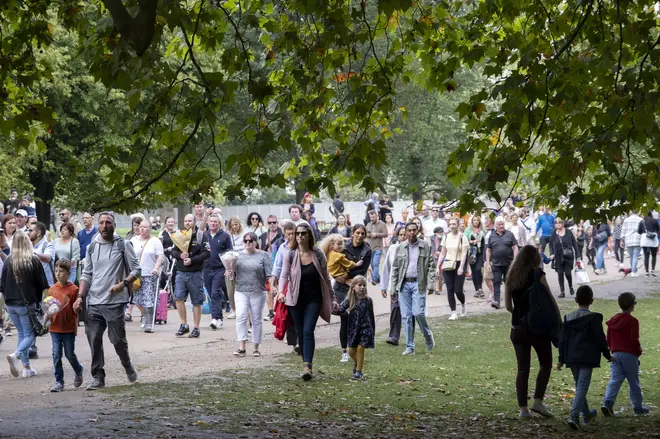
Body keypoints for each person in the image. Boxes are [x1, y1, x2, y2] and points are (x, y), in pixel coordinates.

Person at [72, 213, 141, 389]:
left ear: (114, 225)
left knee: (117, 340)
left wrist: (122, 284)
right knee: (94, 340)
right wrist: (80, 296)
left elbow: (137, 270)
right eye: (101, 223)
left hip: (114, 301)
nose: (104, 226)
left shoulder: (123, 245)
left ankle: (127, 364)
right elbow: (86, 274)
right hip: (94, 301)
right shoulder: (92, 246)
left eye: (108, 223)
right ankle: (98, 377)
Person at [505, 245, 561, 419]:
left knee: (523, 369)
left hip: (518, 329)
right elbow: (549, 300)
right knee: (545, 363)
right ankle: (537, 401)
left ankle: (523, 409)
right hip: (538, 328)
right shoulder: (538, 275)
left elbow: (508, 306)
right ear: (535, 258)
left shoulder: (510, 277)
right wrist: (556, 320)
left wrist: (520, 316)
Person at [277, 223, 337, 380]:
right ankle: (305, 360)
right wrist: (279, 292)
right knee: (300, 330)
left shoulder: (318, 254)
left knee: (308, 330)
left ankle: (307, 366)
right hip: (295, 299)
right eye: (298, 234)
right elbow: (283, 275)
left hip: (314, 299)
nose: (300, 236)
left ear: (310, 235)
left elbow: (326, 277)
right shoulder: (290, 254)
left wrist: (332, 298)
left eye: (303, 233)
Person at [557, 285, 611, 430]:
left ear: (575, 299)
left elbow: (562, 339)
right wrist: (607, 355)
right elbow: (600, 338)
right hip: (587, 357)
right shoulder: (594, 318)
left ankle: (586, 414)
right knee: (582, 386)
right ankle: (574, 416)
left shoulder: (568, 318)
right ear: (592, 301)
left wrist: (561, 358)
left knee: (579, 385)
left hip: (572, 357)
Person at [1, 232, 49, 378]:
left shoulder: (9, 261)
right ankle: (16, 355)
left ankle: (26, 368)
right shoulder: (33, 260)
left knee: (22, 334)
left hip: (10, 304)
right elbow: (43, 285)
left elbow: (2, 285)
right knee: (31, 334)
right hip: (27, 304)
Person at [389, 222, 436, 355]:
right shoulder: (401, 247)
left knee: (418, 313)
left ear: (417, 231)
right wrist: (393, 289)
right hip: (404, 285)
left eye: (414, 230)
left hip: (418, 283)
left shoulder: (425, 246)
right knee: (406, 316)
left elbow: (431, 266)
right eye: (409, 230)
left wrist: (431, 284)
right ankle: (410, 346)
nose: (411, 233)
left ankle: (428, 336)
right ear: (406, 231)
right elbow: (395, 269)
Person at [601, 292, 649, 416]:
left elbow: (609, 339)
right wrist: (637, 353)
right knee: (634, 382)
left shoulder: (613, 321)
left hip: (615, 354)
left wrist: (612, 351)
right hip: (629, 355)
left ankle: (608, 403)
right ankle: (638, 407)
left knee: (615, 380)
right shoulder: (633, 321)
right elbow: (634, 340)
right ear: (632, 306)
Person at [227, 231, 272, 357]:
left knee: (256, 319)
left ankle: (256, 347)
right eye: (245, 241)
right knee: (241, 317)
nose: (248, 243)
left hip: (258, 290)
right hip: (241, 290)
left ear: (255, 242)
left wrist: (273, 286)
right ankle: (242, 346)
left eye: (250, 241)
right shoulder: (237, 256)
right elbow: (232, 272)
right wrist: (229, 272)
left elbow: (269, 273)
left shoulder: (263, 255)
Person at [334, 224, 371, 362]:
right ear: (353, 234)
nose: (360, 235)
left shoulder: (367, 250)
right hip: (342, 287)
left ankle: (353, 347)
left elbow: (362, 270)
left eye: (363, 233)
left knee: (356, 319)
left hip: (356, 287)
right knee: (344, 317)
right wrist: (341, 278)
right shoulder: (344, 247)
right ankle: (344, 350)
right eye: (358, 233)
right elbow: (335, 264)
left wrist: (347, 277)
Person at [171, 214, 210, 338]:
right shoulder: (180, 234)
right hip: (181, 272)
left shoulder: (200, 235)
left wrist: (192, 260)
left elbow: (207, 253)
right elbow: (172, 251)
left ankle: (196, 327)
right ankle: (183, 324)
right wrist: (179, 256)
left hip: (195, 273)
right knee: (179, 298)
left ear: (194, 222)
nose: (187, 223)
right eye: (185, 220)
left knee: (197, 301)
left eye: (190, 221)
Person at [48, 259, 84, 392]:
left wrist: (77, 308)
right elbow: (49, 308)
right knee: (56, 354)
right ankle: (59, 381)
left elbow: (78, 309)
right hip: (55, 328)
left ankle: (78, 369)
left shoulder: (74, 289)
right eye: (56, 271)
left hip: (68, 328)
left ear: (69, 273)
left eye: (61, 271)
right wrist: (47, 315)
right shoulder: (52, 289)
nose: (58, 274)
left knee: (69, 354)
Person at [130, 220, 165, 333]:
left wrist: (156, 268)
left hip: (150, 274)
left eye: (145, 227)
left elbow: (160, 257)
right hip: (136, 275)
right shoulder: (133, 240)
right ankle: (144, 315)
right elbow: (129, 256)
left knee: (149, 299)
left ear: (150, 228)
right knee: (138, 300)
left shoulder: (155, 241)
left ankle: (149, 322)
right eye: (140, 227)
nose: (142, 229)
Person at [338, 275, 375, 381]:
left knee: (360, 347)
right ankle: (357, 362)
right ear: (353, 287)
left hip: (365, 328)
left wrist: (372, 330)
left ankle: (358, 372)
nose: (362, 287)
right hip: (353, 329)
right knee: (351, 351)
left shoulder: (368, 300)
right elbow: (341, 309)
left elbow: (371, 316)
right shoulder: (349, 299)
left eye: (364, 285)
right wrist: (336, 307)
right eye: (360, 285)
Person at [269, 221, 298, 350]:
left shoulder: (301, 246)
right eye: (288, 234)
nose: (291, 237)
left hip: (300, 283)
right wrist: (273, 282)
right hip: (286, 284)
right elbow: (277, 266)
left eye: (293, 234)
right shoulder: (282, 248)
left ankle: (301, 340)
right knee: (288, 312)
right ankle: (293, 343)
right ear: (285, 235)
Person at [380, 226, 408, 346]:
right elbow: (387, 267)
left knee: (408, 312)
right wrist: (384, 285)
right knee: (395, 309)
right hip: (395, 285)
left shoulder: (412, 248)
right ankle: (393, 336)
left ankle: (409, 336)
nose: (403, 237)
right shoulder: (392, 248)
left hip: (408, 284)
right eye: (401, 235)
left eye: (404, 234)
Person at [437, 218, 468, 321]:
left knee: (458, 290)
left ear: (458, 225)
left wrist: (461, 267)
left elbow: (464, 253)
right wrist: (438, 266)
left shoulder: (463, 237)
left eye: (454, 224)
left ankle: (463, 303)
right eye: (450, 224)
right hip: (448, 264)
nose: (452, 226)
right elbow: (442, 253)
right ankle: (453, 312)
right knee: (449, 289)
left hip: (459, 263)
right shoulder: (446, 237)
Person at [205, 214, 233, 330]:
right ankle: (219, 318)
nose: (213, 223)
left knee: (215, 292)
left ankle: (215, 318)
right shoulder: (204, 235)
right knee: (211, 293)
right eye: (211, 221)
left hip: (220, 268)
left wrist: (229, 268)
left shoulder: (225, 236)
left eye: (215, 222)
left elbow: (230, 253)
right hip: (206, 268)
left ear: (219, 223)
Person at [486, 217, 519, 309]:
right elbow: (488, 250)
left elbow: (515, 247)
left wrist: (515, 260)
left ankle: (511, 301)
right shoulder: (492, 236)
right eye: (499, 224)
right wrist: (488, 263)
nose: (501, 226)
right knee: (496, 282)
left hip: (509, 264)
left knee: (509, 283)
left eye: (502, 224)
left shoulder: (509, 234)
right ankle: (496, 301)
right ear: (495, 225)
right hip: (496, 264)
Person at [550, 217, 579, 298]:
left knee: (568, 273)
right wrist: (551, 253)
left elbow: (575, 244)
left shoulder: (569, 232)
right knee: (560, 273)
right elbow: (551, 244)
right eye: (556, 223)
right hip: (558, 257)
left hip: (568, 256)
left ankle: (570, 286)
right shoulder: (554, 233)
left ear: (563, 223)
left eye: (559, 222)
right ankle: (562, 291)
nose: (558, 224)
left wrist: (578, 256)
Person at [365, 210, 388, 286]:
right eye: (370, 217)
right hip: (370, 247)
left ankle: (374, 279)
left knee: (375, 263)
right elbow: (365, 233)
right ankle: (377, 278)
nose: (372, 218)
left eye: (373, 217)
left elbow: (386, 234)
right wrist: (368, 235)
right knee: (372, 264)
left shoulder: (382, 224)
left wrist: (376, 234)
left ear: (377, 216)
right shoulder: (368, 224)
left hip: (378, 247)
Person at [465, 216, 486, 298]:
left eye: (477, 220)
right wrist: (472, 241)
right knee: (473, 271)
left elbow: (485, 241)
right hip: (471, 253)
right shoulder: (468, 230)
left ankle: (480, 288)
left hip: (480, 252)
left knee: (478, 269)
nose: (476, 221)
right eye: (474, 220)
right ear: (472, 221)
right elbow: (465, 240)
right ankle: (476, 290)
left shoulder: (483, 230)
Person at [30, 221, 55, 287]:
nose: (28, 233)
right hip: (33, 285)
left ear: (38, 233)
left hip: (46, 286)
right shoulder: (29, 246)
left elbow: (47, 258)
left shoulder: (48, 245)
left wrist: (32, 254)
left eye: (30, 231)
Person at [621, 211, 643, 276]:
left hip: (628, 240)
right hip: (637, 239)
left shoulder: (626, 220)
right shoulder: (641, 220)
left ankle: (633, 270)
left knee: (631, 256)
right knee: (635, 256)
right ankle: (633, 271)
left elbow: (623, 230)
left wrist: (622, 240)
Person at [638, 211, 659, 276]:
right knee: (654, 256)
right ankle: (652, 270)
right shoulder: (655, 221)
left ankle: (647, 272)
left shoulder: (642, 221)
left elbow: (639, 231)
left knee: (646, 256)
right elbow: (658, 230)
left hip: (645, 240)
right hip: (653, 239)